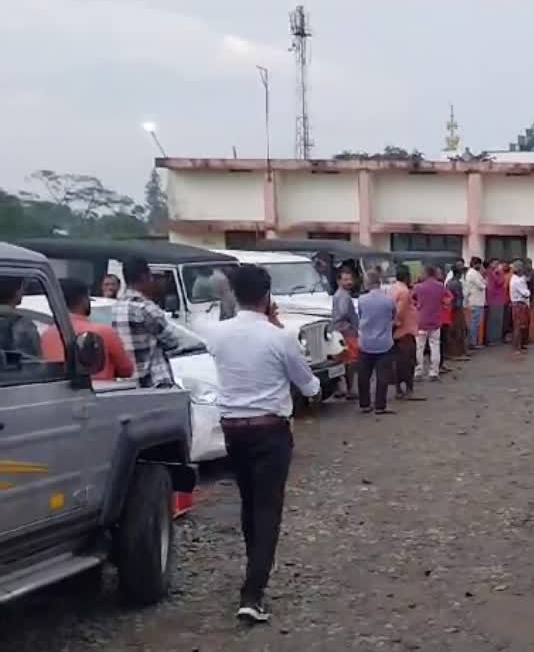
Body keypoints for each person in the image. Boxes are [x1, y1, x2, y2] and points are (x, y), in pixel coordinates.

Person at [206, 265, 320, 624]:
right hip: (270, 431)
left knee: (249, 502)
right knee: (269, 508)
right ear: (267, 296)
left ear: (235, 294)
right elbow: (308, 384)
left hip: (233, 430)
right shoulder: (280, 337)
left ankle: (254, 570)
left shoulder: (216, 333)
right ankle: (252, 594)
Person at [40, 277, 134, 381]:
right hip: (99, 393)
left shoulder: (46, 334)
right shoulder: (104, 333)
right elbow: (126, 370)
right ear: (83, 300)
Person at [113, 257, 179, 388]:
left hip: (128, 382)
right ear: (144, 277)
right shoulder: (146, 308)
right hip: (153, 381)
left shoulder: (116, 307)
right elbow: (173, 341)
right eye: (151, 278)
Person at [356, 270, 396, 414]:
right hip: (384, 342)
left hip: (366, 342)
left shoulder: (361, 300)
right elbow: (393, 316)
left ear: (367, 282)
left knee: (363, 376)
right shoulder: (389, 300)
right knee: (382, 376)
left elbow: (359, 317)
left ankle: (365, 404)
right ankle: (380, 405)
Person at [413, 264, 449, 381]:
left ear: (426, 273)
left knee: (419, 347)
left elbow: (411, 299)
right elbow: (448, 299)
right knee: (435, 347)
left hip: (421, 321)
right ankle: (434, 372)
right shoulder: (440, 287)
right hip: (435, 321)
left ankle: (418, 371)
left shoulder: (418, 287)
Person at [330, 267, 359, 401]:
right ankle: (349, 389)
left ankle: (340, 388)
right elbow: (342, 313)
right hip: (347, 332)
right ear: (338, 281)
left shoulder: (340, 294)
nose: (349, 282)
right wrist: (351, 324)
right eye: (345, 279)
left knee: (340, 360)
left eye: (350, 279)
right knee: (350, 362)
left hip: (341, 331)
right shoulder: (343, 296)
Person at [390, 266, 418, 399]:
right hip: (404, 331)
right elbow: (399, 313)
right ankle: (408, 389)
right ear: (407, 277)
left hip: (396, 332)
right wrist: (397, 325)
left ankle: (398, 389)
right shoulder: (404, 291)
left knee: (398, 362)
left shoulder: (392, 288)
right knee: (408, 362)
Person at [0, 276, 41, 361]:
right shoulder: (23, 325)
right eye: (23, 287)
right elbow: (35, 365)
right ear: (17, 291)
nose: (23, 291)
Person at [445, 263, 469, 361]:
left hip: (450, 309)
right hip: (456, 310)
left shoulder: (449, 282)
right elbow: (459, 298)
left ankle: (453, 352)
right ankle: (457, 353)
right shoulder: (456, 283)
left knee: (453, 331)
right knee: (458, 331)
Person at [508, 259, 531, 354]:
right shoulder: (517, 281)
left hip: (518, 304)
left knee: (520, 326)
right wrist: (528, 291)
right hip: (519, 304)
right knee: (518, 326)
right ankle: (517, 347)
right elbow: (526, 293)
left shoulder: (516, 278)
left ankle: (519, 346)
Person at [464, 257, 487, 350]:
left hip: (478, 301)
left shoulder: (476, 273)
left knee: (476, 323)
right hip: (475, 301)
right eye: (480, 264)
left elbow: (484, 283)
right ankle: (472, 343)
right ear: (476, 264)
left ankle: (474, 342)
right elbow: (482, 285)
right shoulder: (473, 273)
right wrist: (484, 279)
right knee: (474, 323)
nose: (481, 266)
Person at [485, 259, 507, 346]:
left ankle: (496, 338)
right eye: (494, 263)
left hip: (498, 299)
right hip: (492, 299)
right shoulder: (490, 272)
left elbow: (501, 282)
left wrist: (497, 273)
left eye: (498, 263)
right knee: (493, 320)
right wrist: (495, 273)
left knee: (497, 320)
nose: (496, 265)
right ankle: (491, 339)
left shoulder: (498, 273)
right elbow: (498, 282)